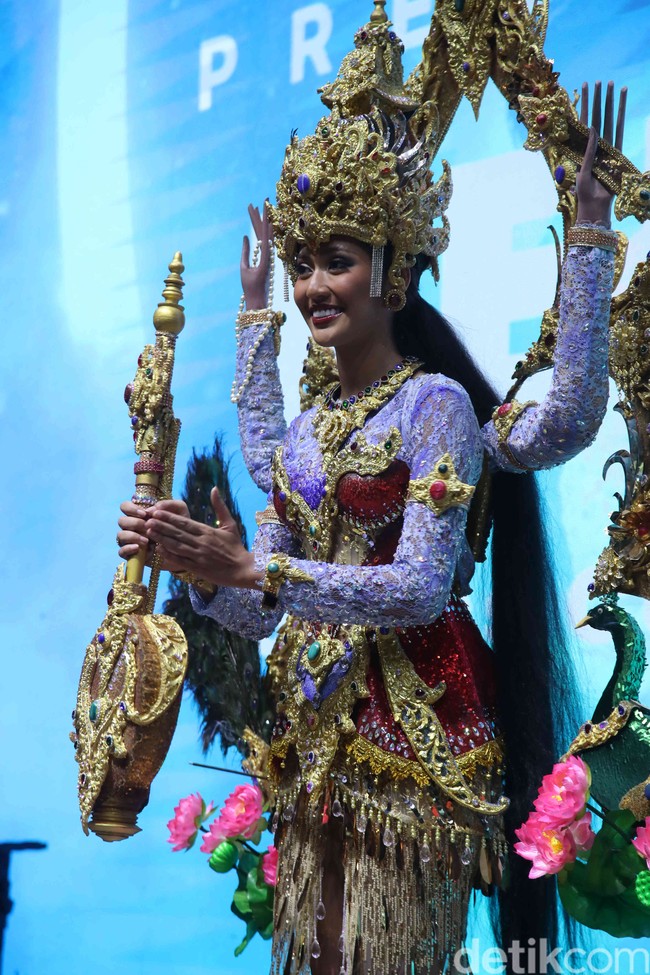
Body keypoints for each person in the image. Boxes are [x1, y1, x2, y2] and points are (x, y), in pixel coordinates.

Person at [117, 8, 627, 973]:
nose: (315, 284)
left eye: (336, 261)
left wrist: (590, 243)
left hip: (415, 729)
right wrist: (194, 563)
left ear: (393, 273)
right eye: (303, 264)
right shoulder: (307, 436)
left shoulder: (435, 407)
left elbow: (422, 586)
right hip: (311, 737)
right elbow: (256, 609)